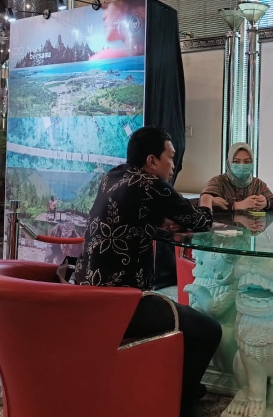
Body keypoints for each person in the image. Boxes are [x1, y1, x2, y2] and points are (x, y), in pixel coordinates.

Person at [72, 126, 221, 417]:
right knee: (208, 330)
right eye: (170, 157)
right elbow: (202, 221)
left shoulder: (113, 175)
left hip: (86, 296)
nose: (174, 164)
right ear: (152, 161)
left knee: (183, 317)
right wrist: (207, 197)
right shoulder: (151, 184)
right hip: (120, 304)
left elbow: (138, 216)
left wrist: (166, 220)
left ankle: (177, 386)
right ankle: (177, 402)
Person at [201, 142, 273, 212]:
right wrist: (237, 205)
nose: (242, 165)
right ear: (229, 163)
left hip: (251, 225)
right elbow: (202, 205)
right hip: (222, 225)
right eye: (236, 161)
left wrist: (266, 203)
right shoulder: (218, 181)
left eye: (247, 162)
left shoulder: (258, 184)